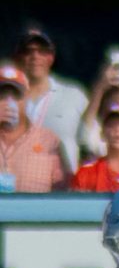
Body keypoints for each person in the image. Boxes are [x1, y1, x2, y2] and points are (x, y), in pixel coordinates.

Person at [14, 26, 88, 173]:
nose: (35, 56)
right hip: (15, 191)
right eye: (28, 51)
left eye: (42, 51)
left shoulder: (75, 95)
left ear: (51, 57)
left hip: (62, 191)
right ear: (18, 57)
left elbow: (92, 142)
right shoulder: (6, 98)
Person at [0, 63, 69, 192]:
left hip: (36, 212)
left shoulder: (49, 141)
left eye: (16, 96)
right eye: (2, 96)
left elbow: (63, 192)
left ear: (26, 98)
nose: (9, 102)